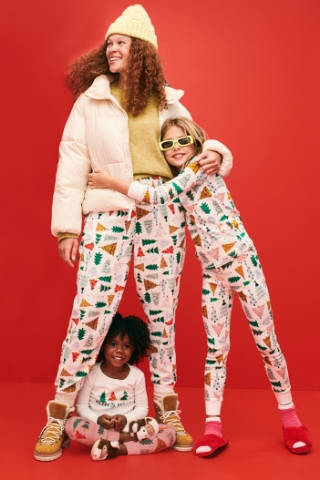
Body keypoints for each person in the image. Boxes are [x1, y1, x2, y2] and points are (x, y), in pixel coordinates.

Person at [34, 5, 233, 461]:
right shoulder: (92, 98)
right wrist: (67, 228)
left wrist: (219, 155)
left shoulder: (166, 100)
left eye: (120, 42)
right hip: (107, 215)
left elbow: (201, 142)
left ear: (141, 50)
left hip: (162, 216)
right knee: (89, 312)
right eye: (109, 43)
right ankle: (57, 414)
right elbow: (71, 165)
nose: (111, 48)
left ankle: (167, 412)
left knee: (162, 315)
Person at [88, 117, 313, 457]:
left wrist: (110, 181)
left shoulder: (200, 167)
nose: (176, 148)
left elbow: (160, 193)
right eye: (167, 145)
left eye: (182, 141)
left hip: (242, 264)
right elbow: (162, 197)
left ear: (195, 142)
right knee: (216, 350)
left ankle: (291, 418)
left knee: (267, 341)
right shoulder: (181, 177)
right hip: (213, 274)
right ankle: (213, 427)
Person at [63, 313, 176, 460]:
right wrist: (97, 419)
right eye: (113, 344)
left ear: (134, 349)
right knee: (72, 425)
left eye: (126, 346)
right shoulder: (91, 372)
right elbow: (81, 407)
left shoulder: (137, 376)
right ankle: (122, 439)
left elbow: (143, 409)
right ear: (103, 345)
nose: (119, 350)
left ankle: (116, 449)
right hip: (98, 428)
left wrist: (126, 418)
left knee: (170, 432)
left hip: (129, 427)